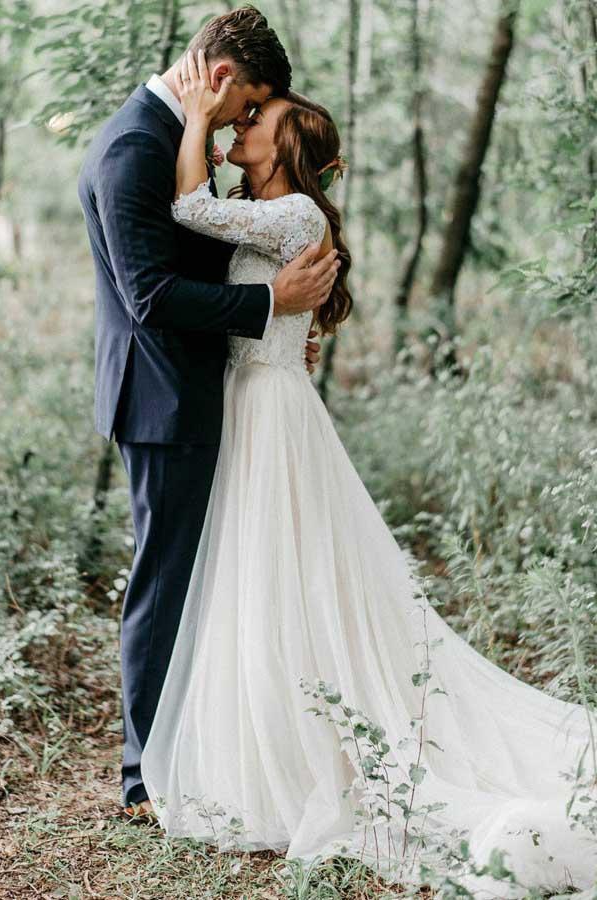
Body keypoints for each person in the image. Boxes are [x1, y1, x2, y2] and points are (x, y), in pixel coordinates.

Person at [139, 48, 597, 898]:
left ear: (289, 149)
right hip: (250, 404)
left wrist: (194, 118)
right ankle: (261, 734)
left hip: (270, 415)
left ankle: (306, 747)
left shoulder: (298, 220)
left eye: (257, 122)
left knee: (280, 578)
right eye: (242, 117)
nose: (244, 125)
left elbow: (184, 208)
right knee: (254, 580)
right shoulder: (267, 211)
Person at [77, 6, 340, 817]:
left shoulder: (167, 139)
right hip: (164, 399)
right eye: (247, 104)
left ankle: (190, 748)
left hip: (199, 389)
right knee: (167, 584)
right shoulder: (135, 148)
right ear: (220, 79)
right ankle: (143, 778)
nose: (239, 123)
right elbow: (150, 296)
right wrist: (269, 305)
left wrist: (283, 323)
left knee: (199, 580)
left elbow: (209, 244)